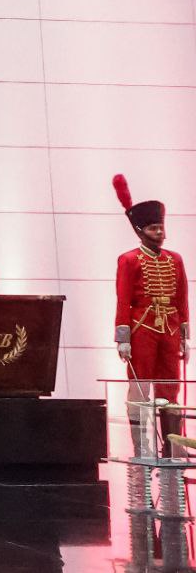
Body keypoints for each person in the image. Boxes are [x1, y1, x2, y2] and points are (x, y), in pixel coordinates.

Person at [113, 174, 189, 452]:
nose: (160, 233)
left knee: (171, 389)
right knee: (140, 389)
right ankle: (143, 448)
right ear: (141, 230)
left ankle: (174, 445)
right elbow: (123, 301)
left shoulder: (175, 259)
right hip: (142, 328)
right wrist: (122, 336)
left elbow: (182, 299)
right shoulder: (129, 259)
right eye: (154, 228)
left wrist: (184, 334)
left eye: (161, 228)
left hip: (169, 328)